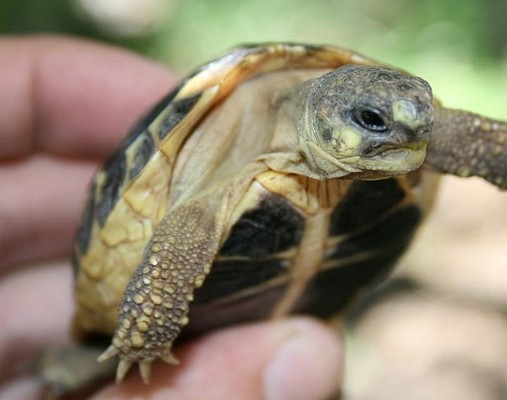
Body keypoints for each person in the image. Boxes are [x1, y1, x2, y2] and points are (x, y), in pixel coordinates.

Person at [0, 35, 343, 400]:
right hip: (186, 278)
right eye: (371, 121)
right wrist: (145, 328)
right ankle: (101, 356)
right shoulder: (239, 107)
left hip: (308, 298)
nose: (410, 138)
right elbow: (188, 229)